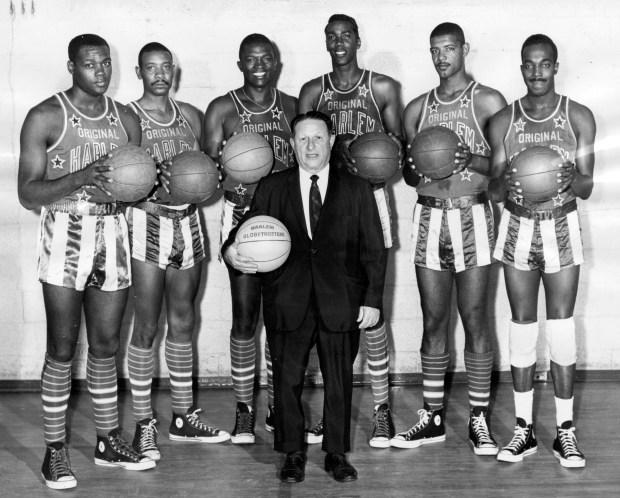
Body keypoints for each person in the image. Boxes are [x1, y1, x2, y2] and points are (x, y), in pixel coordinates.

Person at [17, 34, 155, 490]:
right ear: (72, 67)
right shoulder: (45, 115)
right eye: (91, 64)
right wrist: (79, 176)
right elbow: (27, 193)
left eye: (106, 63)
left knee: (106, 344)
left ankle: (107, 439)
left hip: (112, 231)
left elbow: (137, 187)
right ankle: (54, 452)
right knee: (61, 346)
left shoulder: (126, 118)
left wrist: (163, 185)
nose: (101, 71)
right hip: (64, 233)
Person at [223, 111, 387, 483]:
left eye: (318, 138)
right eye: (302, 139)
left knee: (340, 380)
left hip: (341, 299)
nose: (310, 146)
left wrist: (373, 299)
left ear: (331, 141)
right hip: (288, 297)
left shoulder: (358, 187)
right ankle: (292, 453)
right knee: (286, 380)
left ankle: (337, 454)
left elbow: (374, 250)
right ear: (292, 144)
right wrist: (231, 251)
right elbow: (244, 232)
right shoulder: (272, 187)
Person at [390, 22, 506, 456]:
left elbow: (503, 167)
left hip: (472, 213)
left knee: (475, 320)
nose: (441, 57)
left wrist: (467, 157)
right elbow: (407, 173)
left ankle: (478, 419)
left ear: (464, 50)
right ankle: (432, 416)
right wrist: (421, 165)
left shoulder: (489, 100)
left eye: (449, 49)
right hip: (429, 217)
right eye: (435, 50)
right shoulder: (417, 108)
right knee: (433, 320)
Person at [488, 34, 595, 468]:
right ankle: (524, 429)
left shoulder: (579, 117)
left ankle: (565, 431)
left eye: (544, 64)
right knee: (521, 326)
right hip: (516, 223)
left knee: (563, 326)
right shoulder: (502, 121)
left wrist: (571, 176)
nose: (536, 73)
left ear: (555, 66)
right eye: (529, 65)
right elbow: (493, 187)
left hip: (562, 222)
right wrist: (506, 184)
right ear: (520, 68)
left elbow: (587, 186)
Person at [298, 13, 402, 448]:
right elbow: (301, 146)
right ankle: (326, 411)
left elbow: (398, 150)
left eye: (346, 36)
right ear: (325, 42)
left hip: (369, 200)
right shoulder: (312, 90)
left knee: (370, 310)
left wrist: (371, 157)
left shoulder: (382, 87)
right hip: (325, 203)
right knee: (322, 309)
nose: (339, 42)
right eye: (331, 37)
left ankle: (381, 411)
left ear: (358, 40)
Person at [125, 42, 230, 462]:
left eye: (166, 66)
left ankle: (183, 415)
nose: (160, 74)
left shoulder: (191, 115)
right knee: (147, 326)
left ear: (174, 70)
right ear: (139, 72)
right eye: (151, 68)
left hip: (188, 222)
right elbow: (118, 180)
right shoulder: (128, 116)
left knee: (184, 319)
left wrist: (213, 176)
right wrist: (145, 196)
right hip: (146, 221)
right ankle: (144, 423)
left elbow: (206, 179)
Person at [202, 34, 297, 444]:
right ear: (239, 63)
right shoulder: (221, 108)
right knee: (245, 318)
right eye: (250, 59)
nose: (258, 64)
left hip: (285, 218)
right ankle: (244, 409)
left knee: (283, 320)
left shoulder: (293, 106)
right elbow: (204, 177)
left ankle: (278, 407)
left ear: (275, 62)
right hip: (241, 216)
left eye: (266, 58)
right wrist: (223, 165)